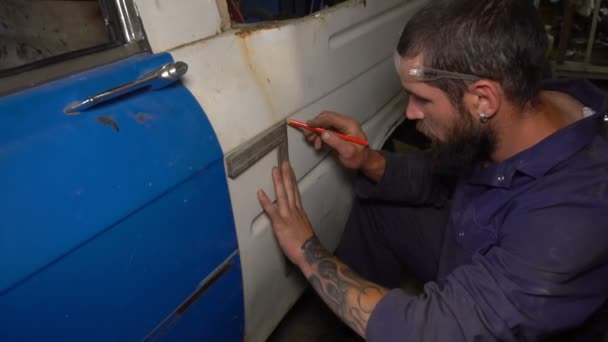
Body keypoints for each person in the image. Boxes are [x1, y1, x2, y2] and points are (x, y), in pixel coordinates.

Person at [257, 0, 608, 340]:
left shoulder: (574, 218)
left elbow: (435, 329)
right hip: (470, 241)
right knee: (381, 209)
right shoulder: (519, 109)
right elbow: (450, 173)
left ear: (483, 100)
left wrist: (307, 251)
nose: (410, 113)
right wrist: (367, 160)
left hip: (506, 317)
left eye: (422, 98)